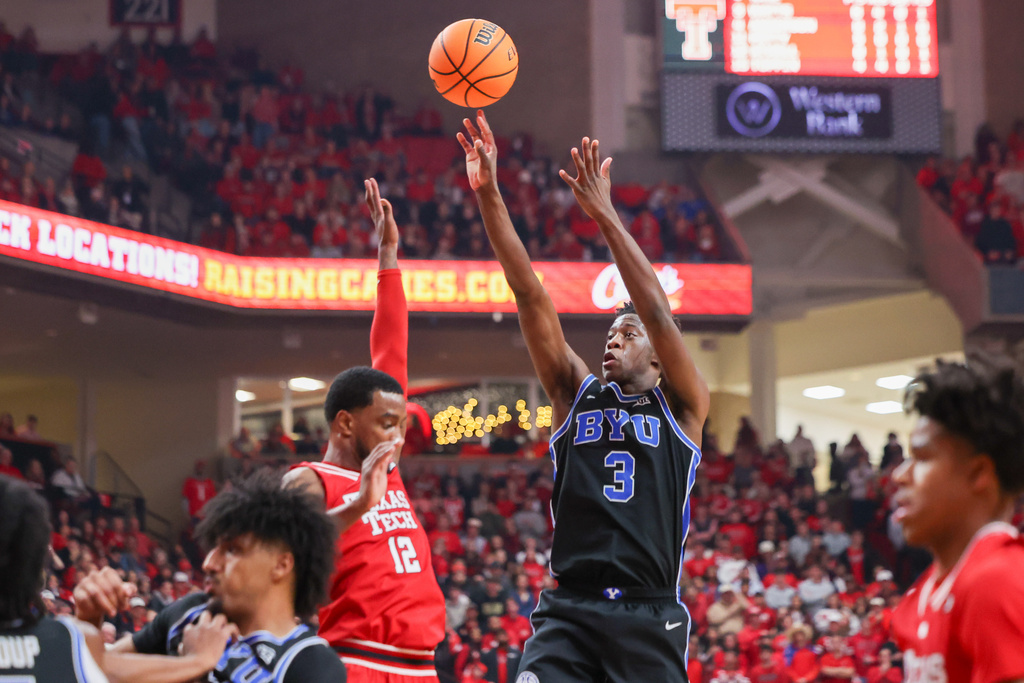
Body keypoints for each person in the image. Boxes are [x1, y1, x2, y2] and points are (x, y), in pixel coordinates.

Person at [459, 112, 709, 682]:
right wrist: (490, 193)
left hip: (649, 614)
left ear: (656, 355)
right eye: (609, 333)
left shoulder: (683, 408)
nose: (613, 339)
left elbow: (657, 312)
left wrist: (605, 217)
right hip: (569, 609)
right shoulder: (575, 392)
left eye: (628, 333)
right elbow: (529, 294)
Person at [284, 178, 445, 680]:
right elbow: (286, 555)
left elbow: (391, 345)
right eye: (388, 423)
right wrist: (358, 505)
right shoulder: (309, 480)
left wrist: (389, 254)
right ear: (346, 423)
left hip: (422, 667)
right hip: (357, 662)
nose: (399, 436)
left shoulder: (387, 468)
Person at [75, 471, 346, 682]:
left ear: (281, 564)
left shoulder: (311, 663)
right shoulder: (189, 613)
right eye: (213, 548)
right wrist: (89, 620)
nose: (208, 563)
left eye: (231, 550)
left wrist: (194, 666)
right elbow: (87, 674)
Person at [890, 357, 1024, 683]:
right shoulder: (926, 591)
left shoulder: (997, 580)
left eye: (921, 457)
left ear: (978, 472)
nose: (899, 475)